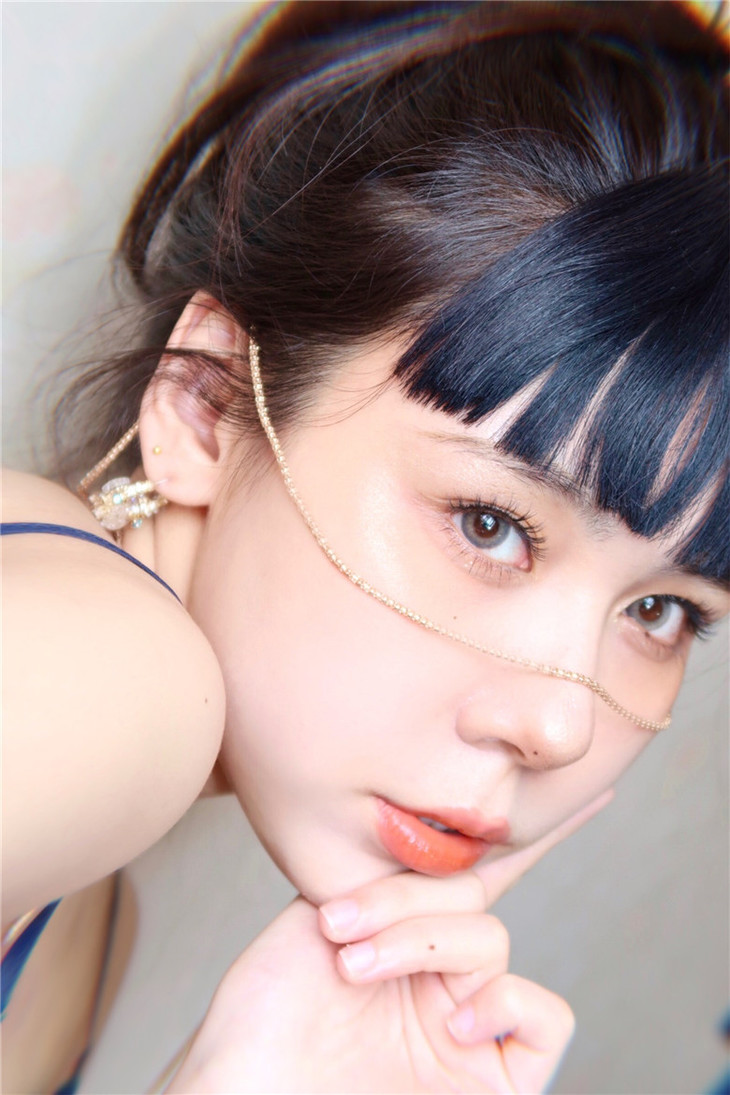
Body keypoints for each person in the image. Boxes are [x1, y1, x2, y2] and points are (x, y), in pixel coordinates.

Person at [3, 1, 728, 1092]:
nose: (560, 726)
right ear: (206, 402)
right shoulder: (109, 685)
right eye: (489, 524)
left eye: (662, 612)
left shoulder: (100, 918)